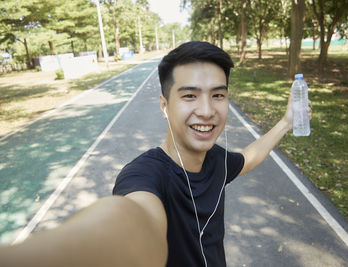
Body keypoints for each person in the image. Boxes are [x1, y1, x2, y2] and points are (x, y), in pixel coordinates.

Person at [0, 41, 311, 267]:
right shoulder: (143, 175)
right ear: (165, 106)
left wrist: (285, 122)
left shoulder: (216, 160)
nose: (206, 111)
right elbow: (129, 224)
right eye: (189, 95)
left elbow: (249, 157)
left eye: (218, 95)